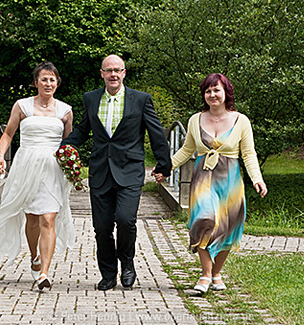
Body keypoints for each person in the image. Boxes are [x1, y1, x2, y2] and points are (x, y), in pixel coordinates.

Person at [62, 54, 172, 291]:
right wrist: (67, 146)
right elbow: (83, 129)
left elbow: (156, 133)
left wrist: (164, 165)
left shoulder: (141, 100)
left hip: (130, 170)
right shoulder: (90, 99)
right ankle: (108, 273)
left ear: (124, 73)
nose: (113, 74)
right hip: (100, 171)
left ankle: (128, 263)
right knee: (101, 227)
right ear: (102, 74)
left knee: (125, 220)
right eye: (108, 70)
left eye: (117, 70)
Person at [0, 61, 75, 290]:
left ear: (57, 83)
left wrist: (72, 164)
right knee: (33, 218)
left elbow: (69, 143)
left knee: (48, 217)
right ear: (36, 82)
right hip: (26, 166)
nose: (48, 83)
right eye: (44, 79)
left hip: (52, 169)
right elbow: (7, 134)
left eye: (52, 79)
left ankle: (45, 272)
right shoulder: (22, 106)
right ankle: (34, 256)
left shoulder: (65, 110)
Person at [165, 73, 268, 294]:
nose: (212, 94)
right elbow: (186, 150)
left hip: (230, 181)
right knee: (204, 220)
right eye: (208, 91)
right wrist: (166, 168)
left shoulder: (241, 121)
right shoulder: (195, 120)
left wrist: (257, 179)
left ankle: (216, 274)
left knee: (228, 228)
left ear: (226, 92)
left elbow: (248, 153)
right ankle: (204, 275)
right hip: (202, 178)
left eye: (216, 90)